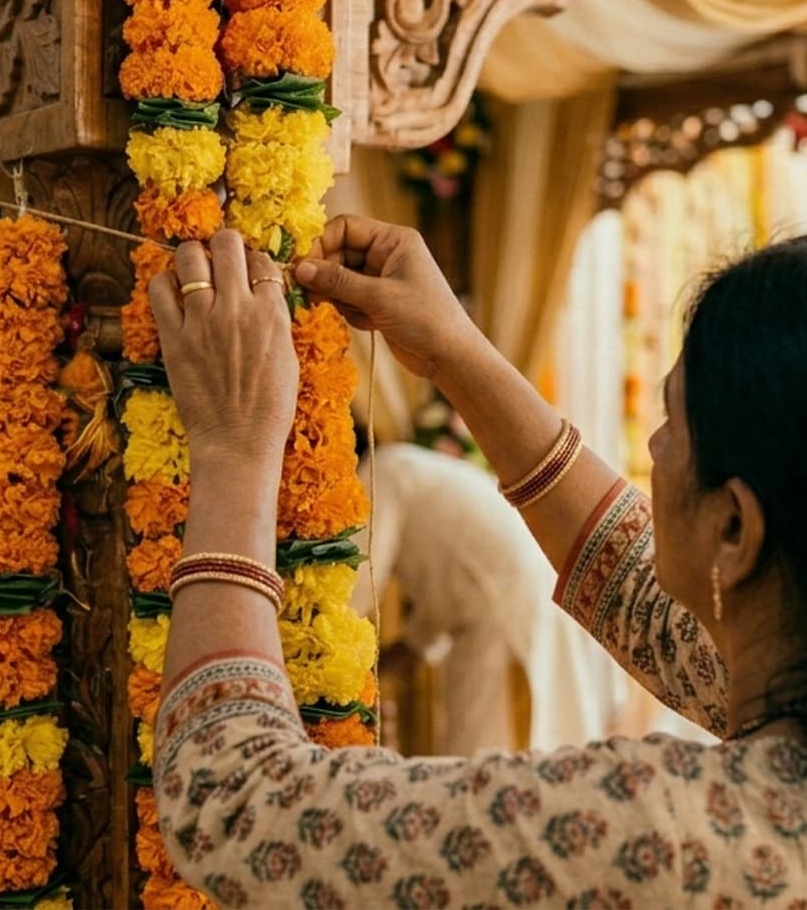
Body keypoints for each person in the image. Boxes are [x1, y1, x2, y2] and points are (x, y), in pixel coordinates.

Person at [149, 217, 807, 907]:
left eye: (674, 423)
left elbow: (239, 802)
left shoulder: (667, 841)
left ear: (733, 528)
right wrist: (455, 352)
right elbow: (638, 588)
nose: (656, 445)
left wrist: (233, 449)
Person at [352, 441, 631, 753]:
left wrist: (320, 661)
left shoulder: (383, 471)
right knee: (497, 755)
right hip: (510, 607)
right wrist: (383, 662)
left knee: (478, 761)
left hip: (501, 617)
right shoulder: (414, 468)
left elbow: (359, 580)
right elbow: (441, 597)